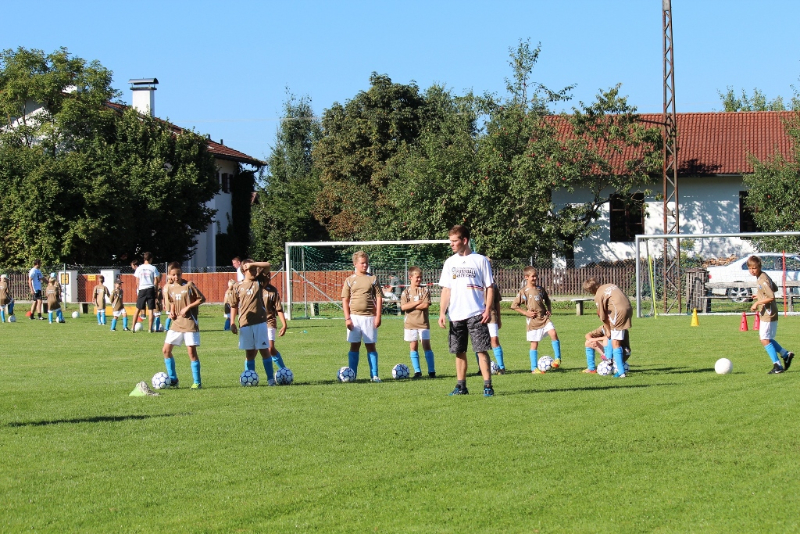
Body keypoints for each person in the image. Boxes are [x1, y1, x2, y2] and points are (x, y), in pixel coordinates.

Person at [438, 225, 495, 397]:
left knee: (481, 350)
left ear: (464, 240)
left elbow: (489, 287)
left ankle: (488, 386)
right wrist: (442, 312)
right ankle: (461, 386)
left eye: (454, 241)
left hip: (477, 313)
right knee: (459, 351)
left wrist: (487, 309)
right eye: (450, 241)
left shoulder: (480, 260)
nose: (451, 244)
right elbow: (446, 289)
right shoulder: (450, 262)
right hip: (456, 315)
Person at [230, 259, 276, 386]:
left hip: (260, 322)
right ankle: (250, 378)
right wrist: (232, 322)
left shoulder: (258, 282)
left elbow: (268, 266)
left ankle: (270, 379)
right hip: (245, 324)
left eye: (255, 269)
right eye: (251, 269)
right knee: (249, 353)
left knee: (264, 351)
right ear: (244, 271)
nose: (254, 271)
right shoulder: (237, 286)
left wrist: (253, 264)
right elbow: (233, 305)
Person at [161, 262, 206, 389]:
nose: (176, 277)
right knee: (166, 350)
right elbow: (172, 302)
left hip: (189, 323)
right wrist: (172, 312)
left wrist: (188, 307)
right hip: (176, 323)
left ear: (182, 273)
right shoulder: (170, 287)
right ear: (169, 275)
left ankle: (197, 382)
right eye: (173, 275)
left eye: (178, 274)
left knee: (191, 353)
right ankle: (173, 379)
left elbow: (202, 299)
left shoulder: (189, 285)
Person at [748, 255, 795, 374]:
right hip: (769, 311)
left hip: (768, 312)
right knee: (767, 338)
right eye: (750, 268)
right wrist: (759, 295)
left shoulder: (762, 279)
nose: (752, 271)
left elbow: (771, 296)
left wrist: (757, 303)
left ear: (759, 267)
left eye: (754, 268)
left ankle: (777, 365)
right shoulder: (763, 276)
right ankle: (786, 354)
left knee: (764, 339)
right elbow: (773, 287)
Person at [511, 267, 562, 373]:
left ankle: (558, 359)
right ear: (526, 277)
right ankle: (534, 368)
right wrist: (526, 313)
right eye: (532, 276)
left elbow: (547, 300)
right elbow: (514, 306)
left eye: (536, 276)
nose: (535, 278)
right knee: (534, 343)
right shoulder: (523, 291)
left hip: (544, 318)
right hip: (533, 321)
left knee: (553, 333)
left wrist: (549, 309)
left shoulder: (540, 289)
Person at [342, 251, 383, 382]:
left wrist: (378, 316)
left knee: (370, 345)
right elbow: (345, 300)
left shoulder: (373, 279)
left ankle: (374, 375)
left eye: (366, 263)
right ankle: (352, 374)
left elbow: (379, 297)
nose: (365, 265)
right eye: (362, 263)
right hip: (354, 318)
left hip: (369, 317)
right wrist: (347, 318)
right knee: (354, 345)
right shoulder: (349, 280)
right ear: (355, 264)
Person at [582, 277, 633, 378]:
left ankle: (620, 372)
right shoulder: (610, 285)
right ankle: (612, 360)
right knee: (615, 338)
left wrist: (608, 330)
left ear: (590, 290)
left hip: (618, 312)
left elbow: (603, 316)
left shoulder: (598, 295)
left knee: (615, 342)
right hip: (628, 308)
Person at [400, 266, 436, 379]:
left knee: (426, 345)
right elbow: (403, 307)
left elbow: (425, 305)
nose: (419, 279)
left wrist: (411, 305)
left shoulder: (425, 290)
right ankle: (417, 371)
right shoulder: (405, 292)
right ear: (410, 277)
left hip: (423, 323)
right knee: (413, 346)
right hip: (410, 324)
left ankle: (431, 371)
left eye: (420, 277)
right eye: (417, 277)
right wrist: (416, 303)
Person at [261, 265, 288, 371]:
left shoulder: (272, 290)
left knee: (270, 348)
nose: (267, 277)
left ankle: (283, 370)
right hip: (257, 322)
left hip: (270, 321)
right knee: (253, 350)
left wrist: (284, 324)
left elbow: (279, 309)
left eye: (268, 275)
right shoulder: (255, 289)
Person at [132, 252, 160, 333]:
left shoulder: (139, 268)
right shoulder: (153, 268)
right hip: (150, 288)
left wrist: (138, 290)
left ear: (144, 259)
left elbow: (137, 281)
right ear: (150, 259)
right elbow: (156, 281)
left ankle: (133, 327)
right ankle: (150, 329)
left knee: (138, 308)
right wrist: (156, 292)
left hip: (142, 289)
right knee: (151, 309)